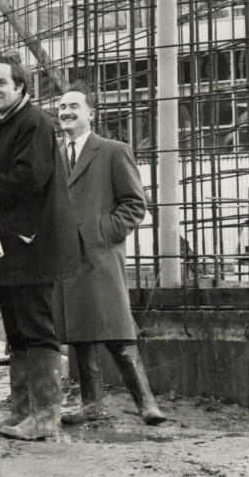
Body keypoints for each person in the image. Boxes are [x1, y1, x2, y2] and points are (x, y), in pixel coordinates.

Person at [0, 54, 85, 442]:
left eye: (0, 83)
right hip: (13, 246)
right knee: (18, 331)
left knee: (35, 328)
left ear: (20, 86)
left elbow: (30, 175)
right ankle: (23, 412)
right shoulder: (7, 123)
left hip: (31, 246)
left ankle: (44, 416)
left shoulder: (32, 121)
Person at [53, 85, 167, 425]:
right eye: (61, 106)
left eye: (74, 106)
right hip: (66, 258)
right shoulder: (53, 154)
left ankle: (147, 404)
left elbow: (135, 204)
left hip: (101, 256)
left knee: (116, 330)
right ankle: (92, 404)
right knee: (80, 333)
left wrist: (102, 232)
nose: (66, 112)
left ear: (91, 113)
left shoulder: (114, 151)